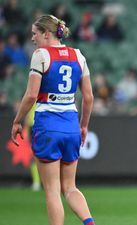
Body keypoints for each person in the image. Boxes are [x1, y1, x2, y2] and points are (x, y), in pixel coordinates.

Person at [10, 15, 96, 225]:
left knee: (52, 190)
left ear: (46, 34)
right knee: (70, 187)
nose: (32, 38)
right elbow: (88, 97)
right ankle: (90, 223)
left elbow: (31, 95)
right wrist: (83, 126)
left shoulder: (41, 55)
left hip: (48, 127)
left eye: (35, 33)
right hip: (71, 127)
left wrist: (17, 121)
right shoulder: (78, 55)